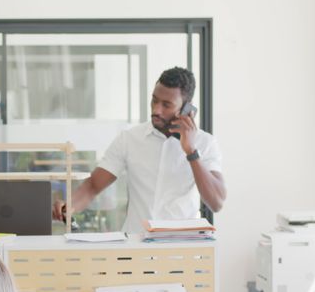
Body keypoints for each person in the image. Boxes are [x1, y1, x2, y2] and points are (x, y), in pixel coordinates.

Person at [53, 67, 226, 234]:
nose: (156, 110)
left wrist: (191, 151)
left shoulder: (205, 143)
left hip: (181, 251)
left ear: (187, 108)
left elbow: (216, 202)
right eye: (154, 100)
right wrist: (69, 206)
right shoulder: (129, 139)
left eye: (166, 105)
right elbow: (93, 186)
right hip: (137, 249)